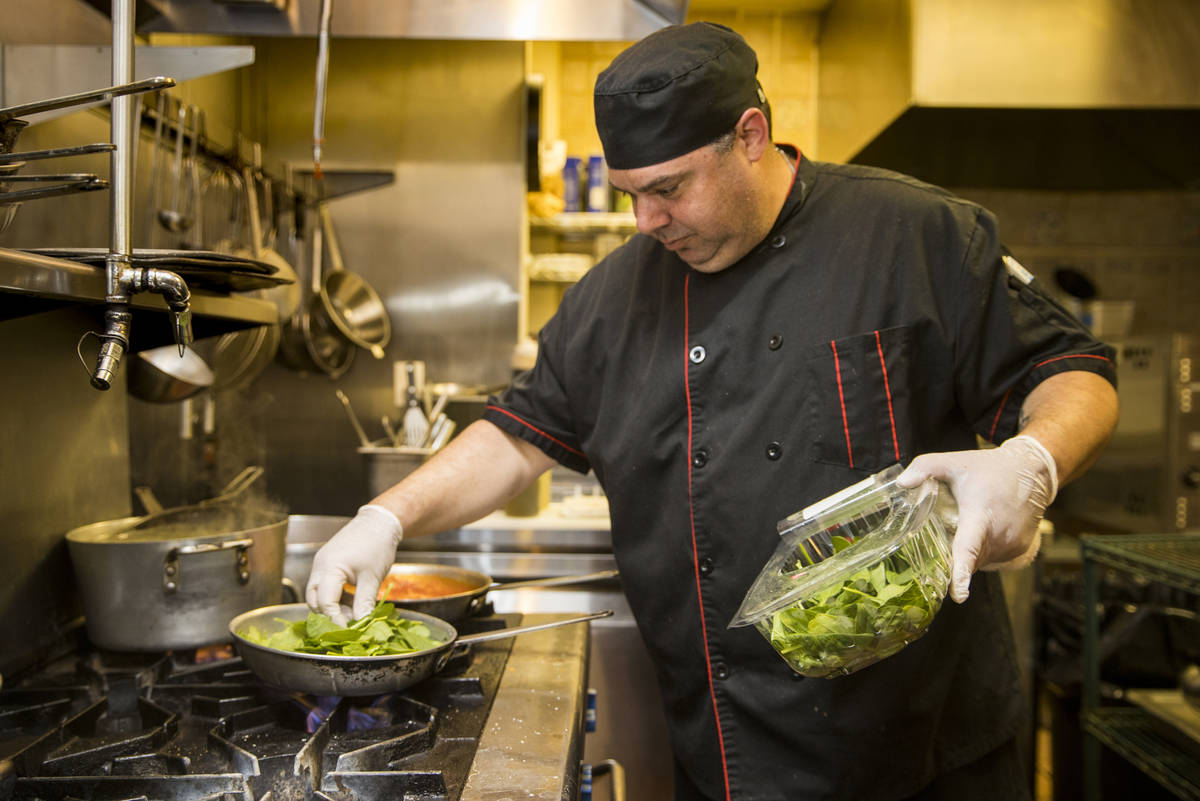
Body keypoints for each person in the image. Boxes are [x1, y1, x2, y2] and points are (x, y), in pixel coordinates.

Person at [306, 21, 1119, 801]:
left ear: (752, 135)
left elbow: (1073, 371)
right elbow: (520, 436)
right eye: (630, 194)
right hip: (722, 758)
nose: (646, 222)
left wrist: (1030, 462)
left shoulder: (915, 236)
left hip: (924, 756)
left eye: (668, 189)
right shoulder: (609, 301)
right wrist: (388, 513)